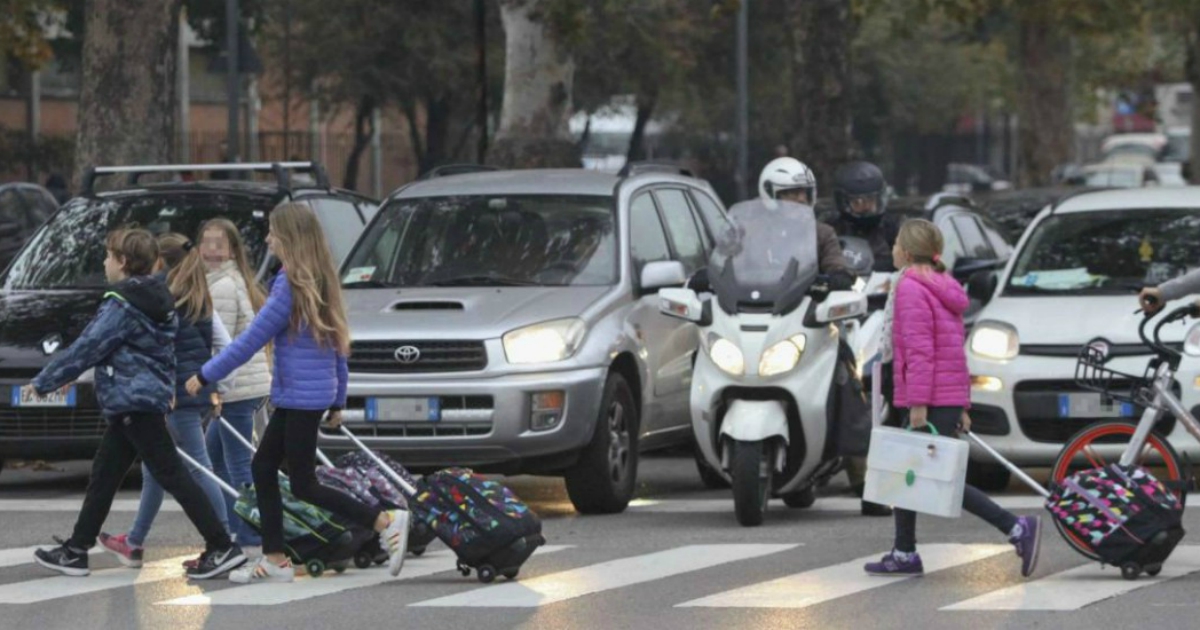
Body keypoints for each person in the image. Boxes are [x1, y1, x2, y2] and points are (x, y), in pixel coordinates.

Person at [186, 203, 409, 584]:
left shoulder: (289, 286)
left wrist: (205, 374)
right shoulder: (318, 279)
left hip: (301, 398)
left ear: (289, 237)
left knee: (304, 483)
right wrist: (338, 398)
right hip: (303, 396)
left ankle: (385, 520)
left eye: (273, 232)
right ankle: (275, 558)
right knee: (262, 468)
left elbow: (252, 339)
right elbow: (338, 344)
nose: (269, 239)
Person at [27, 229, 246, 579]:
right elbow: (163, 352)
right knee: (105, 474)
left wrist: (44, 382)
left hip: (133, 402)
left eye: (108, 256)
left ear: (123, 262)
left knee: (172, 473)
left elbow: (89, 345)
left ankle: (221, 545)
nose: (104, 262)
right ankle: (77, 549)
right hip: (139, 402)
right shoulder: (160, 298)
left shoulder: (122, 303)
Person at [865, 219, 1041, 578]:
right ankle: (904, 551)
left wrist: (916, 403)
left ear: (908, 251)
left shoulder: (912, 287)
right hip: (941, 397)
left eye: (897, 242)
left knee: (939, 477)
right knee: (907, 471)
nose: (892, 248)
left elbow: (920, 352)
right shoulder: (943, 285)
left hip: (925, 398)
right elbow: (954, 353)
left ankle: (1015, 526)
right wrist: (961, 403)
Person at [758, 157, 889, 516]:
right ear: (769, 196)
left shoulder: (822, 234)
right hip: (759, 321)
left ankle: (864, 475)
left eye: (802, 194)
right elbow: (725, 259)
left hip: (809, 321)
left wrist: (836, 278)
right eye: (788, 194)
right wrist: (705, 275)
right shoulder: (750, 233)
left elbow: (838, 265)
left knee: (846, 377)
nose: (797, 201)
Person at [97, 233, 234, 568]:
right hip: (195, 389)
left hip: (173, 393)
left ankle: (224, 539)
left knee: (196, 468)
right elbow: (223, 342)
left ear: (160, 261)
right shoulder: (199, 296)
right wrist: (216, 384)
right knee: (156, 470)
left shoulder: (163, 297)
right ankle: (134, 540)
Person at [827, 160, 904, 516]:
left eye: (869, 200)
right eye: (857, 201)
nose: (864, 207)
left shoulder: (893, 229)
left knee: (884, 389)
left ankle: (880, 479)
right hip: (840, 314)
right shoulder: (829, 229)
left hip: (883, 317)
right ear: (844, 201)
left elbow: (918, 265)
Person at [199, 218, 272, 551]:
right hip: (244, 383)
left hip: (237, 386)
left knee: (237, 462)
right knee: (214, 457)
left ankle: (251, 530)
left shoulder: (222, 286)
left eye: (220, 243)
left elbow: (222, 344)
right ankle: (234, 525)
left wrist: (209, 384)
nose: (212, 250)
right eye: (207, 242)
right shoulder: (224, 280)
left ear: (232, 249)